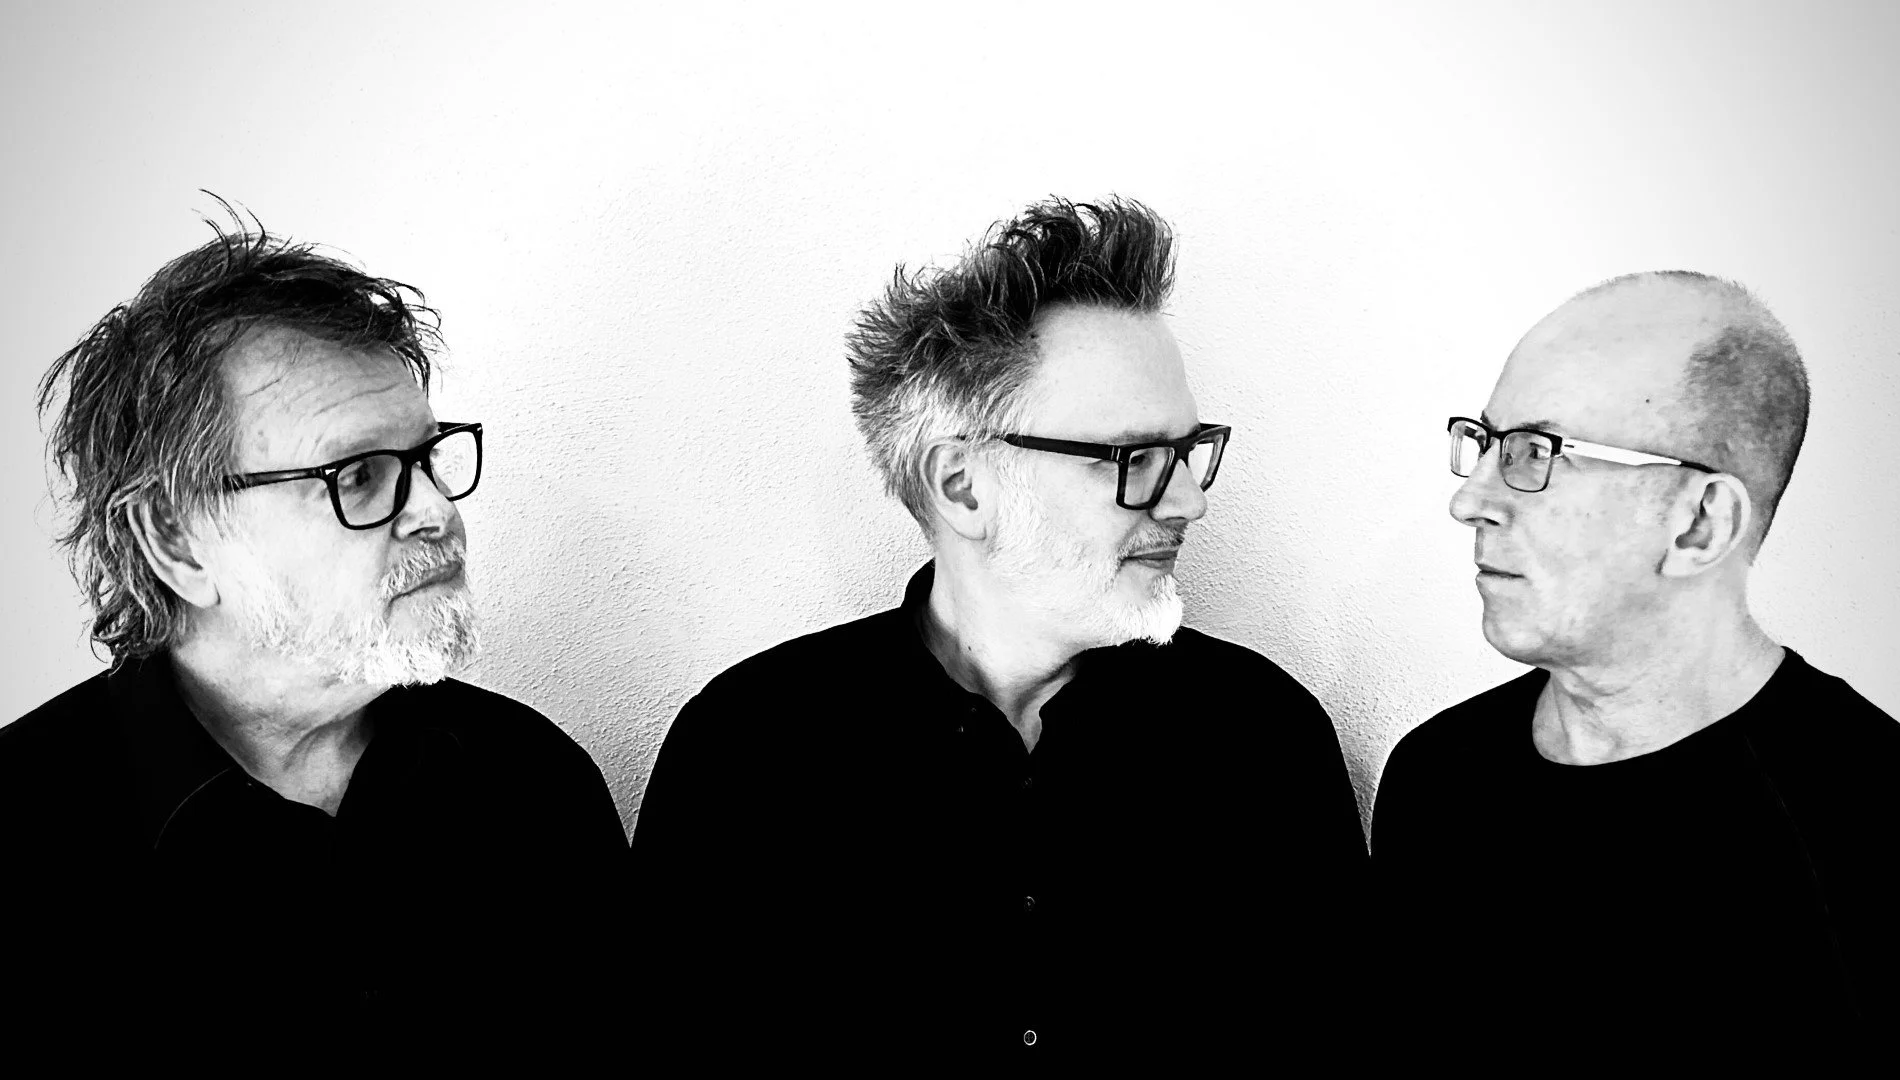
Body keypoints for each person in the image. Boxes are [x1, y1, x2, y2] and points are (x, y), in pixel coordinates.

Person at [633, 196, 1369, 1065]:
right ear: (963, 487)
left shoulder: (1264, 739)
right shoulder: (746, 752)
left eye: (1187, 450)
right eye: (1134, 459)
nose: (1188, 502)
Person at [1, 217, 628, 1044]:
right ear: (175, 540)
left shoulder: (530, 784)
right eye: (358, 475)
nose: (437, 512)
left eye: (429, 458)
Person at [1372, 271, 1900, 1062]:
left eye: (1537, 452)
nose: (1471, 500)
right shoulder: (1439, 776)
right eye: (1486, 443)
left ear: (1700, 524)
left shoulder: (1882, 833)